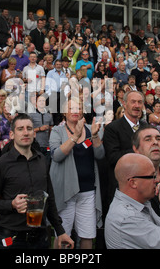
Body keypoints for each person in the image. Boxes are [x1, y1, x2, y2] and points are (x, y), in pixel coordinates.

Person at [0, 113, 74, 249]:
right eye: (20, 129)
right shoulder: (1, 164)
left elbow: (49, 198)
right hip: (12, 237)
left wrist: (60, 231)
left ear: (34, 133)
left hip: (40, 236)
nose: (26, 133)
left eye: (29, 128)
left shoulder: (42, 161)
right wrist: (11, 204)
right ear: (12, 134)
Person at [49, 97, 104, 249]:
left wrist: (94, 136)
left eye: (78, 108)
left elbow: (100, 155)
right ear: (64, 113)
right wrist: (74, 137)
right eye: (71, 108)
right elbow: (57, 156)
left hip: (88, 192)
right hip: (66, 192)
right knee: (63, 236)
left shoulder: (90, 129)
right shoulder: (57, 131)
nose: (75, 111)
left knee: (87, 235)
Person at [104, 153, 160, 249]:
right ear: (133, 182)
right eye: (152, 176)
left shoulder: (139, 203)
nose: (157, 180)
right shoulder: (128, 217)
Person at [103, 90, 147, 204]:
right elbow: (112, 157)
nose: (137, 106)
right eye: (133, 102)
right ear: (124, 103)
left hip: (145, 188)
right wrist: (137, 150)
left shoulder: (147, 128)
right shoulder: (113, 128)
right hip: (122, 189)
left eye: (140, 102)